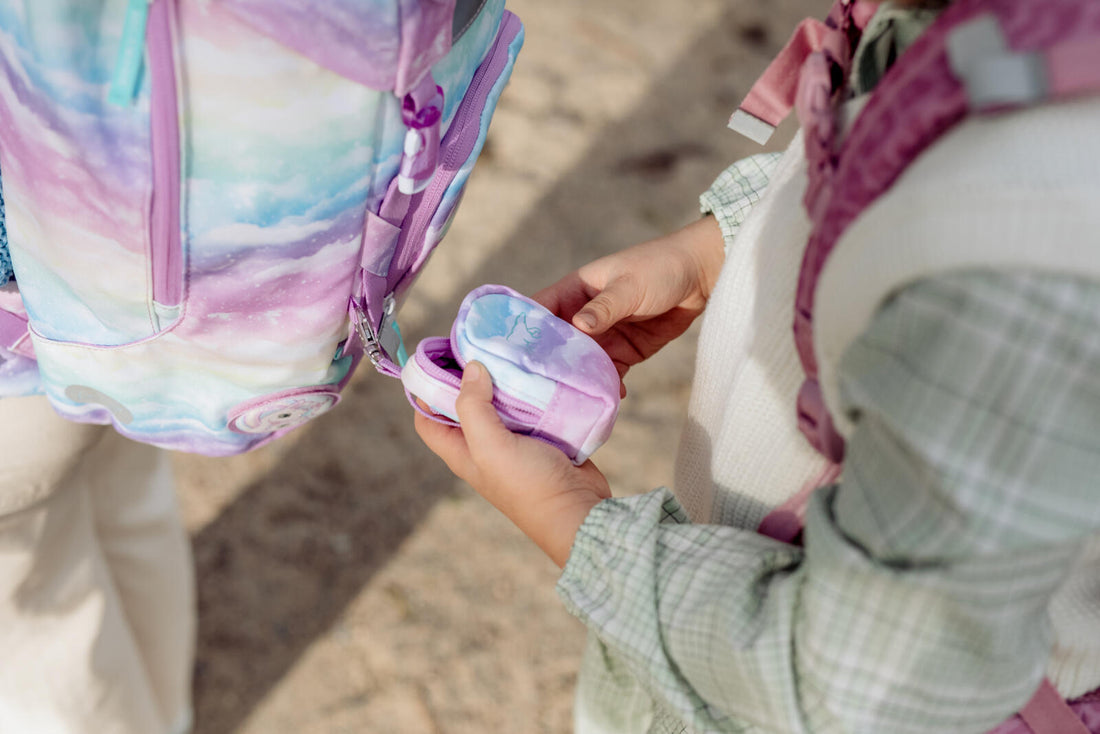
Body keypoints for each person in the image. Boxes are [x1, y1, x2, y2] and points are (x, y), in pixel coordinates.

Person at [415, 0, 1100, 732]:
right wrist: (727, 246)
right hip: (705, 616)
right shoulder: (1009, 39)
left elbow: (874, 685)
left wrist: (575, 528)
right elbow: (892, 143)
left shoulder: (1037, 257)